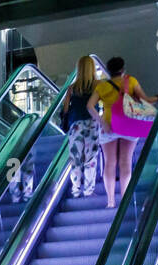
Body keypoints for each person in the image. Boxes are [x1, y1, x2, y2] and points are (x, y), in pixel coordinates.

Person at [89, 57, 158, 207]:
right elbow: (147, 100)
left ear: (108, 70)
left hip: (109, 126)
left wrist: (102, 122)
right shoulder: (130, 81)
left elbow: (89, 106)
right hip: (129, 125)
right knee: (125, 162)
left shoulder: (102, 86)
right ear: (123, 68)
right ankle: (125, 199)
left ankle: (111, 201)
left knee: (109, 163)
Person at [60, 55, 102, 199]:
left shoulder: (72, 88)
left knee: (75, 159)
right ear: (92, 68)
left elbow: (65, 110)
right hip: (92, 124)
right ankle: (89, 190)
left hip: (75, 126)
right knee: (90, 159)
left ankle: (76, 190)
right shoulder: (98, 85)